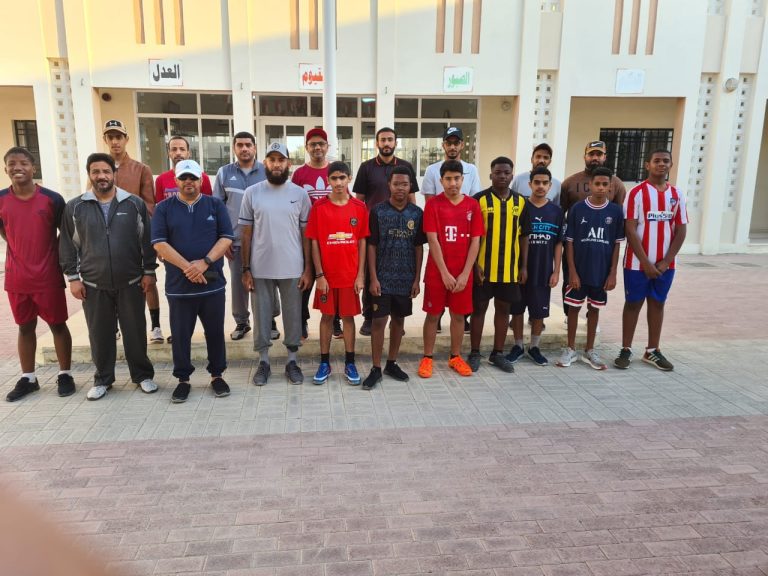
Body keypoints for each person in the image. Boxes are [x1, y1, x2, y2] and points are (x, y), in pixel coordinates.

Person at [59, 153, 158, 400]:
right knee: (99, 335)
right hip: (93, 284)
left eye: (106, 171)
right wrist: (73, 278)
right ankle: (103, 379)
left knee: (135, 332)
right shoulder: (75, 207)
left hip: (131, 282)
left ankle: (142, 376)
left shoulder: (133, 204)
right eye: (95, 172)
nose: (101, 176)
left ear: (114, 174)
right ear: (89, 174)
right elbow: (68, 245)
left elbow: (146, 240)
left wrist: (149, 272)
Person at [151, 160, 233, 403]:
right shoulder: (163, 208)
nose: (189, 182)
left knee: (215, 333)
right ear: (176, 181)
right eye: (184, 177)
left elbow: (226, 238)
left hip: (212, 285)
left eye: (193, 178)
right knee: (180, 335)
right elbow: (159, 243)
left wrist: (204, 263)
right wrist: (189, 267)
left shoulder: (215, 205)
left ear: (201, 180)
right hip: (179, 287)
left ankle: (217, 375)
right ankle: (183, 379)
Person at [1, 147, 75, 401]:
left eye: (23, 163)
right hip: (17, 278)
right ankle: (28, 378)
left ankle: (65, 374)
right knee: (25, 327)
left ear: (33, 168)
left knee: (58, 325)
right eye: (12, 163)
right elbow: (5, 231)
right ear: (5, 169)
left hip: (48, 276)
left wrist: (56, 259)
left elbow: (66, 233)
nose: (17, 167)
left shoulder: (52, 199)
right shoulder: (1, 199)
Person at [240, 143, 312, 386]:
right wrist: (245, 269)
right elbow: (246, 233)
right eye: (272, 159)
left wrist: (308, 268)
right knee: (261, 317)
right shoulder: (252, 193)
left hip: (293, 267)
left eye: (281, 160)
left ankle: (292, 361)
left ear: (289, 163)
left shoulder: (300, 194)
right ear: (265, 163)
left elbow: (306, 234)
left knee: (293, 316)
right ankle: (264, 362)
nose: (277, 164)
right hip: (260, 268)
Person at [615, 149, 688, 371]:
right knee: (633, 303)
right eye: (657, 161)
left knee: (657, 303)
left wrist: (666, 261)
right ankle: (626, 349)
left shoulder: (677, 194)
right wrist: (645, 262)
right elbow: (630, 228)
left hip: (666, 265)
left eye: (666, 161)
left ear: (671, 165)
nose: (661, 164)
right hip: (637, 264)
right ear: (647, 165)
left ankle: (652, 350)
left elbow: (681, 230)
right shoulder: (636, 193)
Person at [212, 132, 280, 342]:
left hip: (264, 241)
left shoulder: (266, 171)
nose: (244, 148)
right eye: (240, 145)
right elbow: (217, 208)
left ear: (255, 148)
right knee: (239, 282)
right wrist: (223, 239)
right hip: (236, 241)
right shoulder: (224, 173)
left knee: (267, 281)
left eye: (248, 145)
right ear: (234, 148)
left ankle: (269, 320)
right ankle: (242, 321)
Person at [419, 160, 483, 378]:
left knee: (458, 316)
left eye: (457, 178)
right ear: (441, 180)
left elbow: (475, 241)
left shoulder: (472, 206)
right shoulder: (433, 205)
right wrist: (445, 273)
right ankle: (427, 357)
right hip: (438, 273)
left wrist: (465, 274)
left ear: (463, 179)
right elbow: (432, 240)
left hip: (462, 273)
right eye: (448, 179)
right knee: (433, 315)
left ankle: (455, 357)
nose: (453, 183)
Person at [362, 166, 425, 390]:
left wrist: (417, 279)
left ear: (410, 187)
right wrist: (373, 278)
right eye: (396, 184)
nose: (400, 188)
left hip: (405, 278)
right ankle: (375, 368)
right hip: (382, 278)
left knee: (399, 321)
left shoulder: (417, 214)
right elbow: (371, 246)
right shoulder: (378, 212)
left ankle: (391, 363)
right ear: (389, 185)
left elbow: (419, 247)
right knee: (379, 321)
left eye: (405, 184)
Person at [102, 119, 165, 343]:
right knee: (111, 280)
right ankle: (114, 325)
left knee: (148, 279)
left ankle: (155, 325)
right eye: (111, 137)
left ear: (126, 139)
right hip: (107, 237)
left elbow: (150, 204)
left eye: (119, 137)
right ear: (105, 140)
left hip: (136, 235)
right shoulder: (101, 169)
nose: (115, 141)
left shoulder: (141, 169)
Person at [306, 161, 369, 386]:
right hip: (327, 277)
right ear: (328, 180)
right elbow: (314, 242)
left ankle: (350, 362)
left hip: (350, 275)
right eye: (334, 178)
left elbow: (362, 242)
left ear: (349, 178)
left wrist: (360, 275)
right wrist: (319, 275)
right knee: (327, 317)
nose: (339, 182)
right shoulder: (319, 207)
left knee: (349, 318)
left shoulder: (359, 208)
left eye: (342, 177)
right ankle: (325, 362)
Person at [556, 167, 624, 370]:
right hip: (579, 270)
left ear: (610, 187)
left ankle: (589, 350)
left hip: (601, 272)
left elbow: (616, 244)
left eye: (605, 184)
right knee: (573, 308)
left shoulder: (615, 211)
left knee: (594, 309)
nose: (601, 188)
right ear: (590, 185)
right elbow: (569, 242)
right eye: (597, 184)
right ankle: (570, 349)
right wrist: (572, 272)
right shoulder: (577, 209)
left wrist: (612, 273)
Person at [353, 127, 418, 336]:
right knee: (371, 273)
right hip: (373, 229)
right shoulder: (366, 167)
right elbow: (359, 201)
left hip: (400, 229)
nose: (387, 143)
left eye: (390, 139)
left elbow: (412, 198)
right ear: (377, 143)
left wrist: (413, 223)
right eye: (383, 140)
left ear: (395, 143)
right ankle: (369, 317)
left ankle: (397, 319)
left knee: (400, 271)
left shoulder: (406, 166)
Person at [468, 157, 528, 373]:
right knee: (479, 309)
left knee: (503, 309)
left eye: (506, 172)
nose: (502, 176)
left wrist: (523, 266)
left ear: (512, 175)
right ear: (491, 174)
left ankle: (497, 354)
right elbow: (471, 236)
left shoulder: (521, 202)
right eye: (498, 172)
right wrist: (474, 264)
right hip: (483, 269)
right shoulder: (478, 200)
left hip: (509, 270)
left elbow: (524, 236)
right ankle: (475, 352)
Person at [559, 140, 626, 320]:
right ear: (585, 157)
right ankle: (569, 315)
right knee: (570, 279)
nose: (595, 158)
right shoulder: (570, 183)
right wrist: (564, 240)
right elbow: (561, 214)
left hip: (601, 247)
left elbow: (618, 218)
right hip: (575, 246)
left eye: (599, 154)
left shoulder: (616, 184)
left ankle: (592, 316)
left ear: (605, 157)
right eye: (591, 154)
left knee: (598, 281)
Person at [509, 166, 564, 366]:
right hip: (519, 269)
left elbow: (558, 243)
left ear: (550, 186)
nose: (541, 186)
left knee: (539, 311)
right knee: (517, 309)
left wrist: (556, 271)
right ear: (530, 184)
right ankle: (517, 346)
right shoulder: (521, 206)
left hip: (543, 270)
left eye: (545, 183)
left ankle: (534, 347)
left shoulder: (557, 211)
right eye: (537, 182)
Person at [291, 127, 339, 340]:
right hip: (306, 236)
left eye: (321, 144)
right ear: (307, 148)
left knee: (334, 279)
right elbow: (292, 202)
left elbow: (344, 201)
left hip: (332, 237)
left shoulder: (335, 170)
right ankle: (302, 320)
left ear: (327, 146)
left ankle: (335, 320)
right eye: (313, 144)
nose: (317, 147)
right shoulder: (299, 174)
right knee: (305, 279)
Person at [421, 127, 482, 200]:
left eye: (456, 143)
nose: (452, 147)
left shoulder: (472, 170)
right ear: (443, 145)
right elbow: (429, 203)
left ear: (462, 145)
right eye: (448, 143)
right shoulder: (431, 170)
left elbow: (475, 200)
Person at [154, 135, 213, 203]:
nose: (178, 153)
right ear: (169, 153)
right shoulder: (160, 180)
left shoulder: (202, 178)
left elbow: (208, 204)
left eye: (182, 149)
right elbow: (160, 206)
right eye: (174, 149)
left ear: (188, 153)